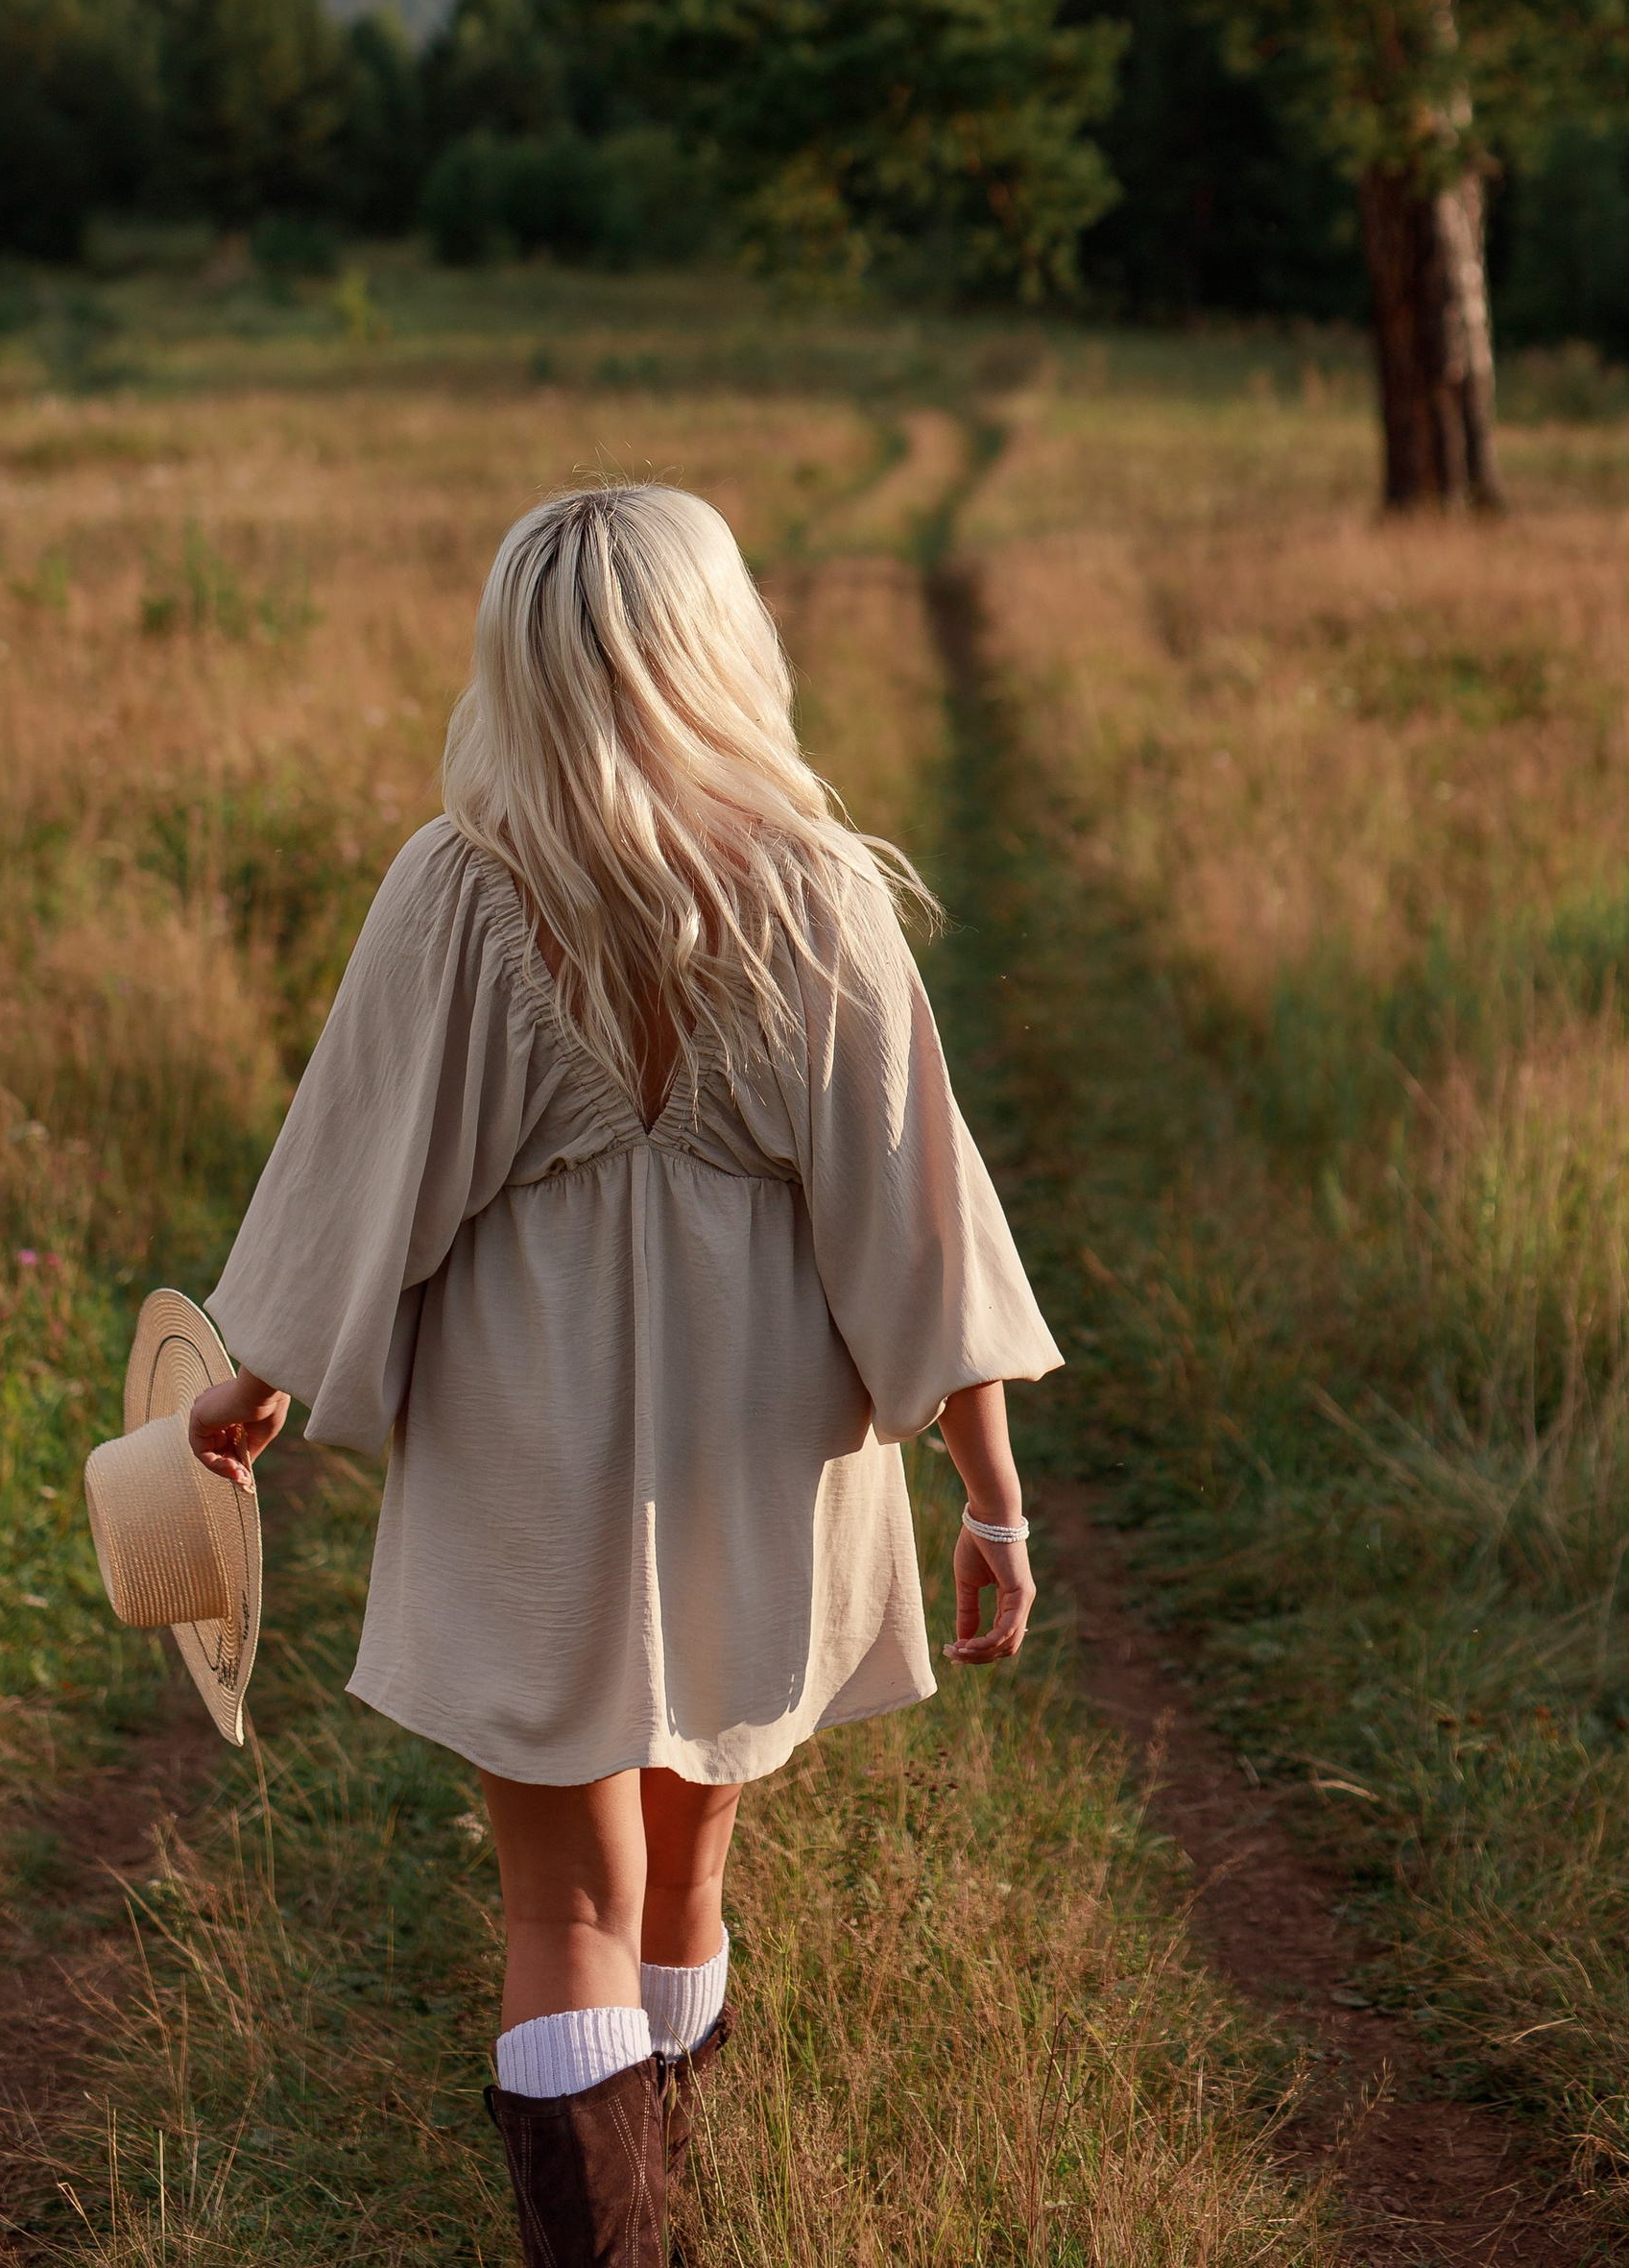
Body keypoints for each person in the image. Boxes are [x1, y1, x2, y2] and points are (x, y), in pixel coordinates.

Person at [184, 482, 1060, 2267]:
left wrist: (254, 1368)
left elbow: (354, 1170)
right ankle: (656, 2217)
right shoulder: (817, 887)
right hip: (763, 1442)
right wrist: (992, 1496)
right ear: (717, 644)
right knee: (685, 1880)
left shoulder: (458, 885)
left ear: (520, 662)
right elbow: (923, 1227)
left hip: (529, 1445)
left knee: (560, 1908)